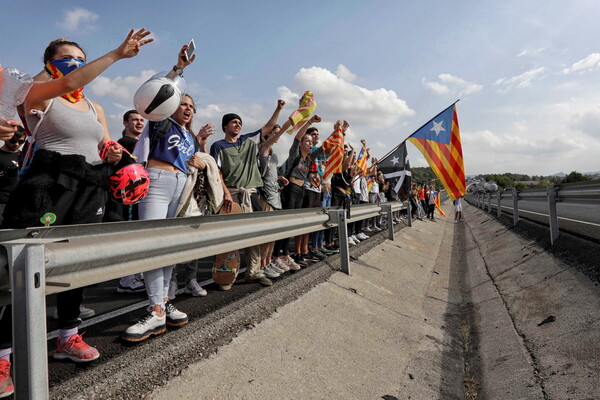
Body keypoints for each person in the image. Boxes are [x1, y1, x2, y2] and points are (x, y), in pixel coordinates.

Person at [0, 28, 153, 397]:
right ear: (50, 65)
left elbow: (104, 145)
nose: (75, 65)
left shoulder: (93, 106)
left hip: (89, 188)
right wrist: (115, 54)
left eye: (80, 59)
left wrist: (114, 155)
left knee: (75, 266)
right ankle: (3, 356)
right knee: (19, 271)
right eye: (66, 58)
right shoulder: (39, 96)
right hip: (47, 185)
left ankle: (67, 336)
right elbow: (62, 82)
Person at [124, 44, 211, 342]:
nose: (187, 109)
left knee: (169, 246)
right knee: (152, 244)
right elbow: (157, 94)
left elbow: (191, 163)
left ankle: (161, 303)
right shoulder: (159, 120)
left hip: (180, 187)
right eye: (183, 104)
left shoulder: (188, 135)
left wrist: (197, 159)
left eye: (192, 107)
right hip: (157, 182)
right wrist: (178, 70)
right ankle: (155, 307)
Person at [210, 101, 285, 289]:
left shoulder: (248, 141)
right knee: (231, 236)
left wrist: (279, 109)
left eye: (239, 122)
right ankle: (227, 275)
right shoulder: (218, 146)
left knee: (255, 235)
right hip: (232, 195)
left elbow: (267, 127)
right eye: (233, 122)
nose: (238, 125)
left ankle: (253, 272)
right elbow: (217, 173)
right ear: (225, 126)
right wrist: (226, 193)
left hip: (251, 194)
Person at [116, 110, 146, 294]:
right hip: (128, 198)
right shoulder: (124, 144)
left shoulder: (141, 144)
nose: (139, 122)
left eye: (142, 120)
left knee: (138, 236)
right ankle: (126, 279)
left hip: (140, 196)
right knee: (130, 237)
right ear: (125, 123)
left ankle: (134, 274)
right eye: (135, 119)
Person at [0, 126, 25, 223]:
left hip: (21, 202)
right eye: (13, 141)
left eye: (21, 142)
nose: (17, 144)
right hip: (2, 203)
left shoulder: (25, 155)